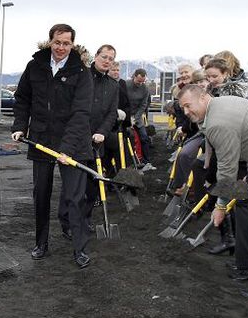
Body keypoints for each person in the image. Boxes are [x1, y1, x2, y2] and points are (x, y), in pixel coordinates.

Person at [10, 23, 94, 268]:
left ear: (72, 44)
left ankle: (79, 249)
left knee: (75, 198)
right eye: (57, 42)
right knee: (41, 195)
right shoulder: (35, 66)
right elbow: (22, 98)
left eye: (66, 43)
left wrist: (66, 149)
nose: (61, 48)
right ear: (50, 41)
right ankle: (41, 243)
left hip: (73, 144)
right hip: (41, 139)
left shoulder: (81, 71)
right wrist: (19, 126)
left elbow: (81, 113)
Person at [177, 85, 248, 299]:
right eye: (182, 108)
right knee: (245, 205)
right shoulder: (217, 108)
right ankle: (247, 265)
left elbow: (227, 169)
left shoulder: (219, 122)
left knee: (247, 207)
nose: (185, 111)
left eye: (188, 105)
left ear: (203, 98)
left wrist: (220, 206)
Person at [59, 44, 119, 235]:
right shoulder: (81, 77)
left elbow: (111, 113)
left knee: (92, 186)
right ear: (96, 56)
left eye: (111, 58)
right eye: (104, 57)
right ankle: (67, 223)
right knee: (73, 185)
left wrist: (102, 131)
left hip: (97, 142)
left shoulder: (113, 85)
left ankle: (84, 220)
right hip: (77, 139)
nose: (107, 61)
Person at [125, 69, 155, 170]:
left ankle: (146, 161)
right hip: (125, 114)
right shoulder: (125, 85)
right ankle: (128, 162)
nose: (140, 83)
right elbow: (122, 101)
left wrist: (135, 117)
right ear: (134, 76)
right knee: (127, 138)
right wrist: (128, 117)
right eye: (139, 81)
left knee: (144, 137)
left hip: (137, 116)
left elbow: (143, 105)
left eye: (143, 81)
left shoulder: (145, 89)